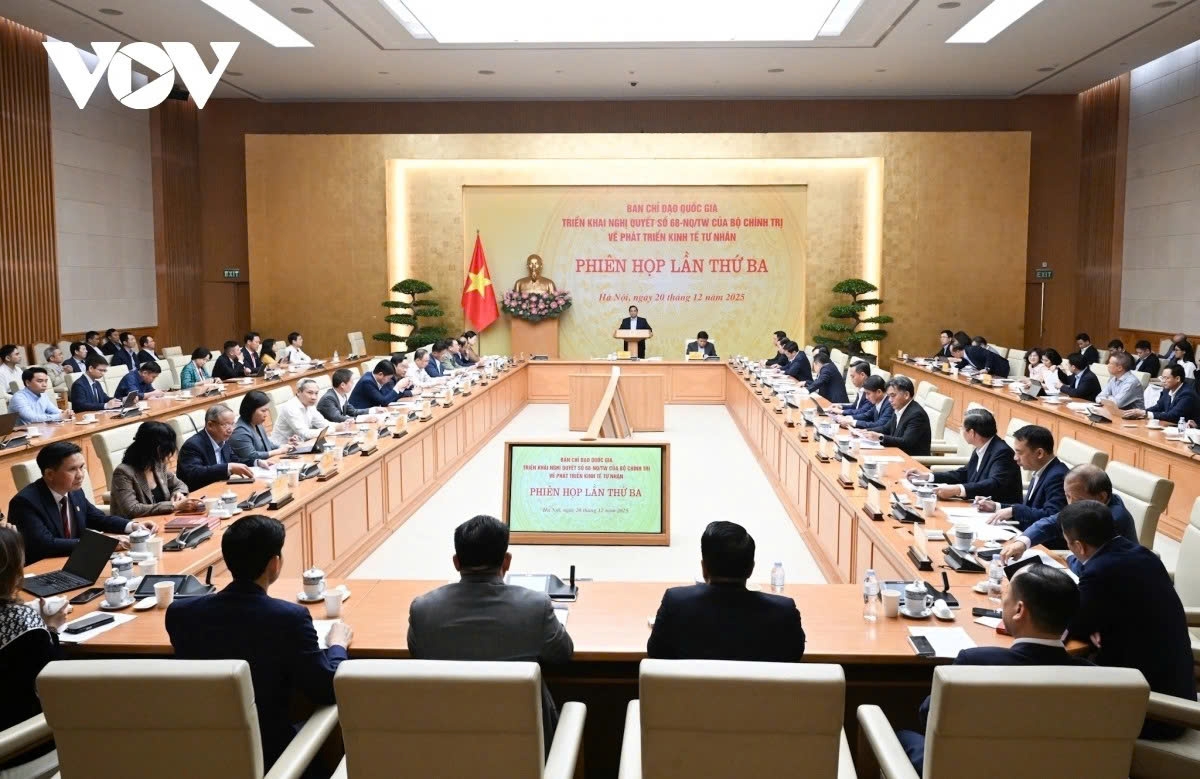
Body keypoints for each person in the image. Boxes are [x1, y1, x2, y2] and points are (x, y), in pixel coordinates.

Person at [167, 515, 352, 776]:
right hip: (273, 758)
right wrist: (337, 645)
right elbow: (327, 689)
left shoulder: (180, 614)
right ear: (274, 564)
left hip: (203, 755)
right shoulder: (289, 619)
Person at [895, 564, 1092, 775]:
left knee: (901, 735)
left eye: (1006, 595)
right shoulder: (1094, 678)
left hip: (970, 770)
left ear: (1019, 610)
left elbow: (929, 717)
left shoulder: (975, 662)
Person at [407, 515, 573, 752]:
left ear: (456, 562)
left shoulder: (423, 610)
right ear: (507, 561)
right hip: (524, 753)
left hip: (448, 750)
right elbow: (563, 654)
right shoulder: (535, 607)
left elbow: (418, 653)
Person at [1060, 500, 1196, 740]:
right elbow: (1094, 616)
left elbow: (1073, 626)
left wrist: (1088, 622)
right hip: (1175, 687)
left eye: (1068, 543)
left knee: (1053, 686)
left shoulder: (1099, 573)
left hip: (1154, 711)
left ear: (1079, 546)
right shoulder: (1143, 555)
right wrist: (1093, 621)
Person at [647, 520, 804, 661]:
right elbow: (795, 656)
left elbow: (656, 653)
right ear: (751, 569)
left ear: (704, 568)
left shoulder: (675, 602)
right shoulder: (784, 611)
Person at [8, 441, 152, 563]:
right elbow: (45, 545)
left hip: (75, 561)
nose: (80, 475)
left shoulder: (74, 491)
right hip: (43, 568)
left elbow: (97, 518)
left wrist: (133, 526)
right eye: (72, 469)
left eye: (82, 467)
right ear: (50, 474)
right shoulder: (25, 503)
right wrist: (104, 543)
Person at [0, 524, 67, 776]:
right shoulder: (23, 623)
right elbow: (55, 683)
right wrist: (51, 629)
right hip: (22, 751)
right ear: (13, 572)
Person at [1000, 465, 1138, 569]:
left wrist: (1069, 556)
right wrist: (1022, 543)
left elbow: (1086, 564)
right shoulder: (1089, 507)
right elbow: (1052, 523)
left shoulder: (1111, 519)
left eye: (1078, 499)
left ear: (1102, 496)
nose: (1071, 504)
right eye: (1067, 496)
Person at [908, 409, 1022, 504]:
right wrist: (928, 477)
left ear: (972, 433)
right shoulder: (982, 446)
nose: (961, 430)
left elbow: (993, 484)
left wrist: (957, 489)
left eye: (962, 428)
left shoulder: (1002, 453)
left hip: (998, 513)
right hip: (977, 505)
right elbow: (964, 473)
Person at [976, 425, 1068, 530]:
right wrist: (996, 506)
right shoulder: (1041, 469)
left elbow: (1052, 516)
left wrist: (1014, 511)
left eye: (1019, 452)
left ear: (1039, 453)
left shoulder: (1057, 476)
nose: (1015, 458)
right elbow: (1031, 509)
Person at [110, 421, 201, 518]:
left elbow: (180, 485)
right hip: (136, 525)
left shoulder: (157, 465)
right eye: (167, 450)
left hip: (162, 520)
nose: (169, 456)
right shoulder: (123, 473)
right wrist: (174, 506)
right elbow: (132, 509)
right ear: (158, 449)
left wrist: (178, 493)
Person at [177, 405, 255, 490]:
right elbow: (194, 474)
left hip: (222, 488)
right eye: (225, 425)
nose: (230, 430)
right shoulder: (192, 445)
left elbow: (235, 460)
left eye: (232, 424)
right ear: (210, 425)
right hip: (200, 492)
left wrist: (256, 462)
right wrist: (228, 467)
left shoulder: (223, 439)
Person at [861, 376, 932, 456]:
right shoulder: (899, 408)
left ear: (906, 395)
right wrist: (864, 431)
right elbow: (886, 429)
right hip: (896, 454)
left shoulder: (917, 414)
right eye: (889, 396)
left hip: (912, 460)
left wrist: (881, 437)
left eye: (893, 395)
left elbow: (906, 442)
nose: (889, 400)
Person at [230, 391, 297, 465]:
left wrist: (283, 446)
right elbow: (251, 456)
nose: (266, 415)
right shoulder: (240, 431)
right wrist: (279, 451)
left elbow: (267, 444)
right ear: (250, 410)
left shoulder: (257, 423)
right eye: (263, 411)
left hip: (267, 464)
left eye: (267, 410)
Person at [1124, 364, 1198, 424]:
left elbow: (1173, 416)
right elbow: (1158, 407)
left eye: (1166, 378)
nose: (1163, 381)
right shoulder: (1167, 390)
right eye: (1162, 378)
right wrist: (1139, 413)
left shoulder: (1187, 394)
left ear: (1177, 379)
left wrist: (1144, 413)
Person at [274, 379, 340, 442]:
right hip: (282, 447)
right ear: (298, 392)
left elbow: (323, 423)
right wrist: (333, 429)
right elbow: (305, 434)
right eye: (310, 393)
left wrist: (341, 425)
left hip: (301, 443)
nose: (314, 397)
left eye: (316, 393)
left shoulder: (310, 405)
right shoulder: (290, 407)